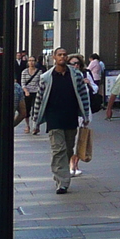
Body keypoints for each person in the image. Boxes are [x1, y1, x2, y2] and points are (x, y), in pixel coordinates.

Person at [32, 47, 90, 194]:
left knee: (68, 149)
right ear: (54, 58)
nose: (62, 57)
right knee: (59, 150)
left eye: (65, 55)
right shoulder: (46, 77)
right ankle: (62, 182)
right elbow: (39, 99)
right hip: (54, 119)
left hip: (70, 118)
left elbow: (83, 95)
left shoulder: (75, 75)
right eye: (60, 55)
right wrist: (36, 122)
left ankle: (63, 175)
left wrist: (85, 115)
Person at [20, 56, 44, 135]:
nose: (31, 62)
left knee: (36, 110)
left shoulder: (39, 72)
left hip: (36, 92)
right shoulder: (24, 72)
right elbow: (23, 84)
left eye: (33, 61)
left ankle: (35, 126)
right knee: (27, 110)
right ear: (27, 62)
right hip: (27, 92)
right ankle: (27, 125)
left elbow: (41, 83)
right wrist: (26, 91)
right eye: (30, 61)